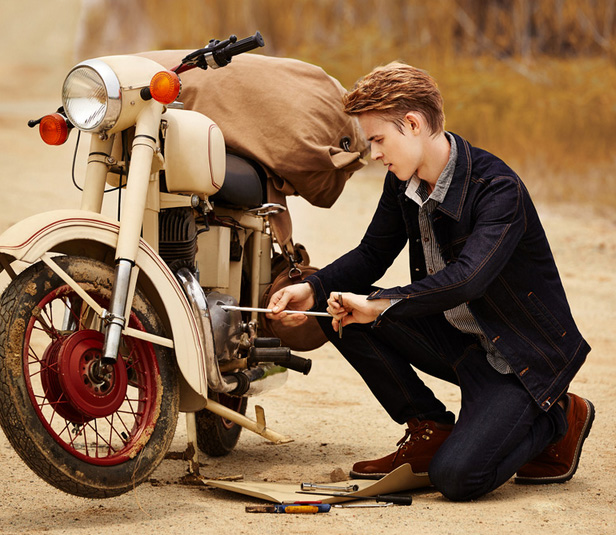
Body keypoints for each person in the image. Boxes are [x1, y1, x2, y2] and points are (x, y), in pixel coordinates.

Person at [265, 62, 594, 501]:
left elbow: (466, 281)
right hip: (461, 341)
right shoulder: (403, 181)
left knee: (457, 480)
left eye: (379, 140)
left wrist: (380, 304)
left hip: (517, 362)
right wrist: (312, 289)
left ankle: (559, 415)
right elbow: (372, 254)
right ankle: (431, 427)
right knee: (336, 308)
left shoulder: (497, 190)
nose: (375, 153)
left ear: (414, 124)